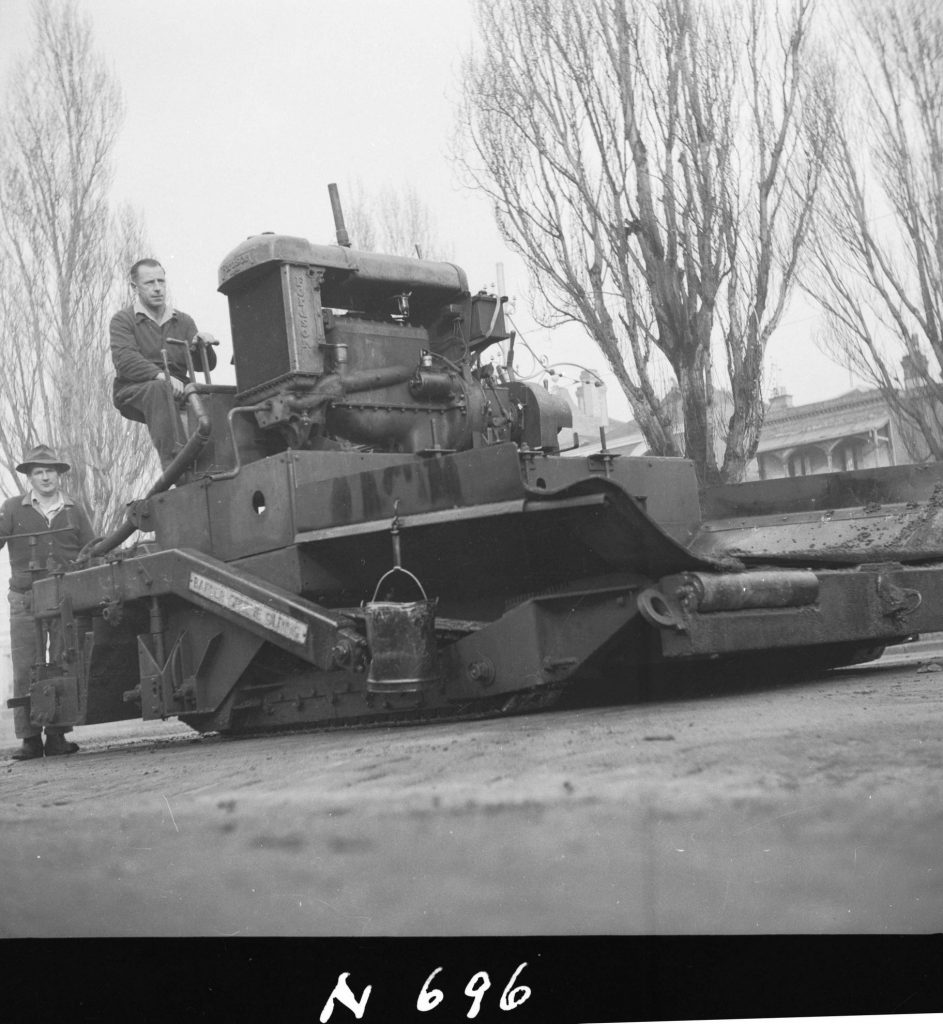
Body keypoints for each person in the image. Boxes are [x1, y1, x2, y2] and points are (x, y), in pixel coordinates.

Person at [0, 445, 95, 760]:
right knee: (26, 667)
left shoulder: (75, 510)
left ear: (59, 475)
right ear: (30, 476)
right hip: (25, 600)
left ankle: (57, 736)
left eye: (49, 471)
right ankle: (29, 740)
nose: (44, 477)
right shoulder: (12, 509)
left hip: (65, 599)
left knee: (62, 663)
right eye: (38, 472)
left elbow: (91, 550)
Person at [110, 258, 217, 469]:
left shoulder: (183, 321)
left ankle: (215, 463)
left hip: (178, 389)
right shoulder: (123, 320)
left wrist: (201, 346)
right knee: (159, 389)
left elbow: (205, 366)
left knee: (216, 396)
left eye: (161, 281)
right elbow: (125, 360)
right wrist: (162, 377)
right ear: (135, 287)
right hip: (136, 389)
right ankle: (177, 467)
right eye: (149, 283)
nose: (158, 288)